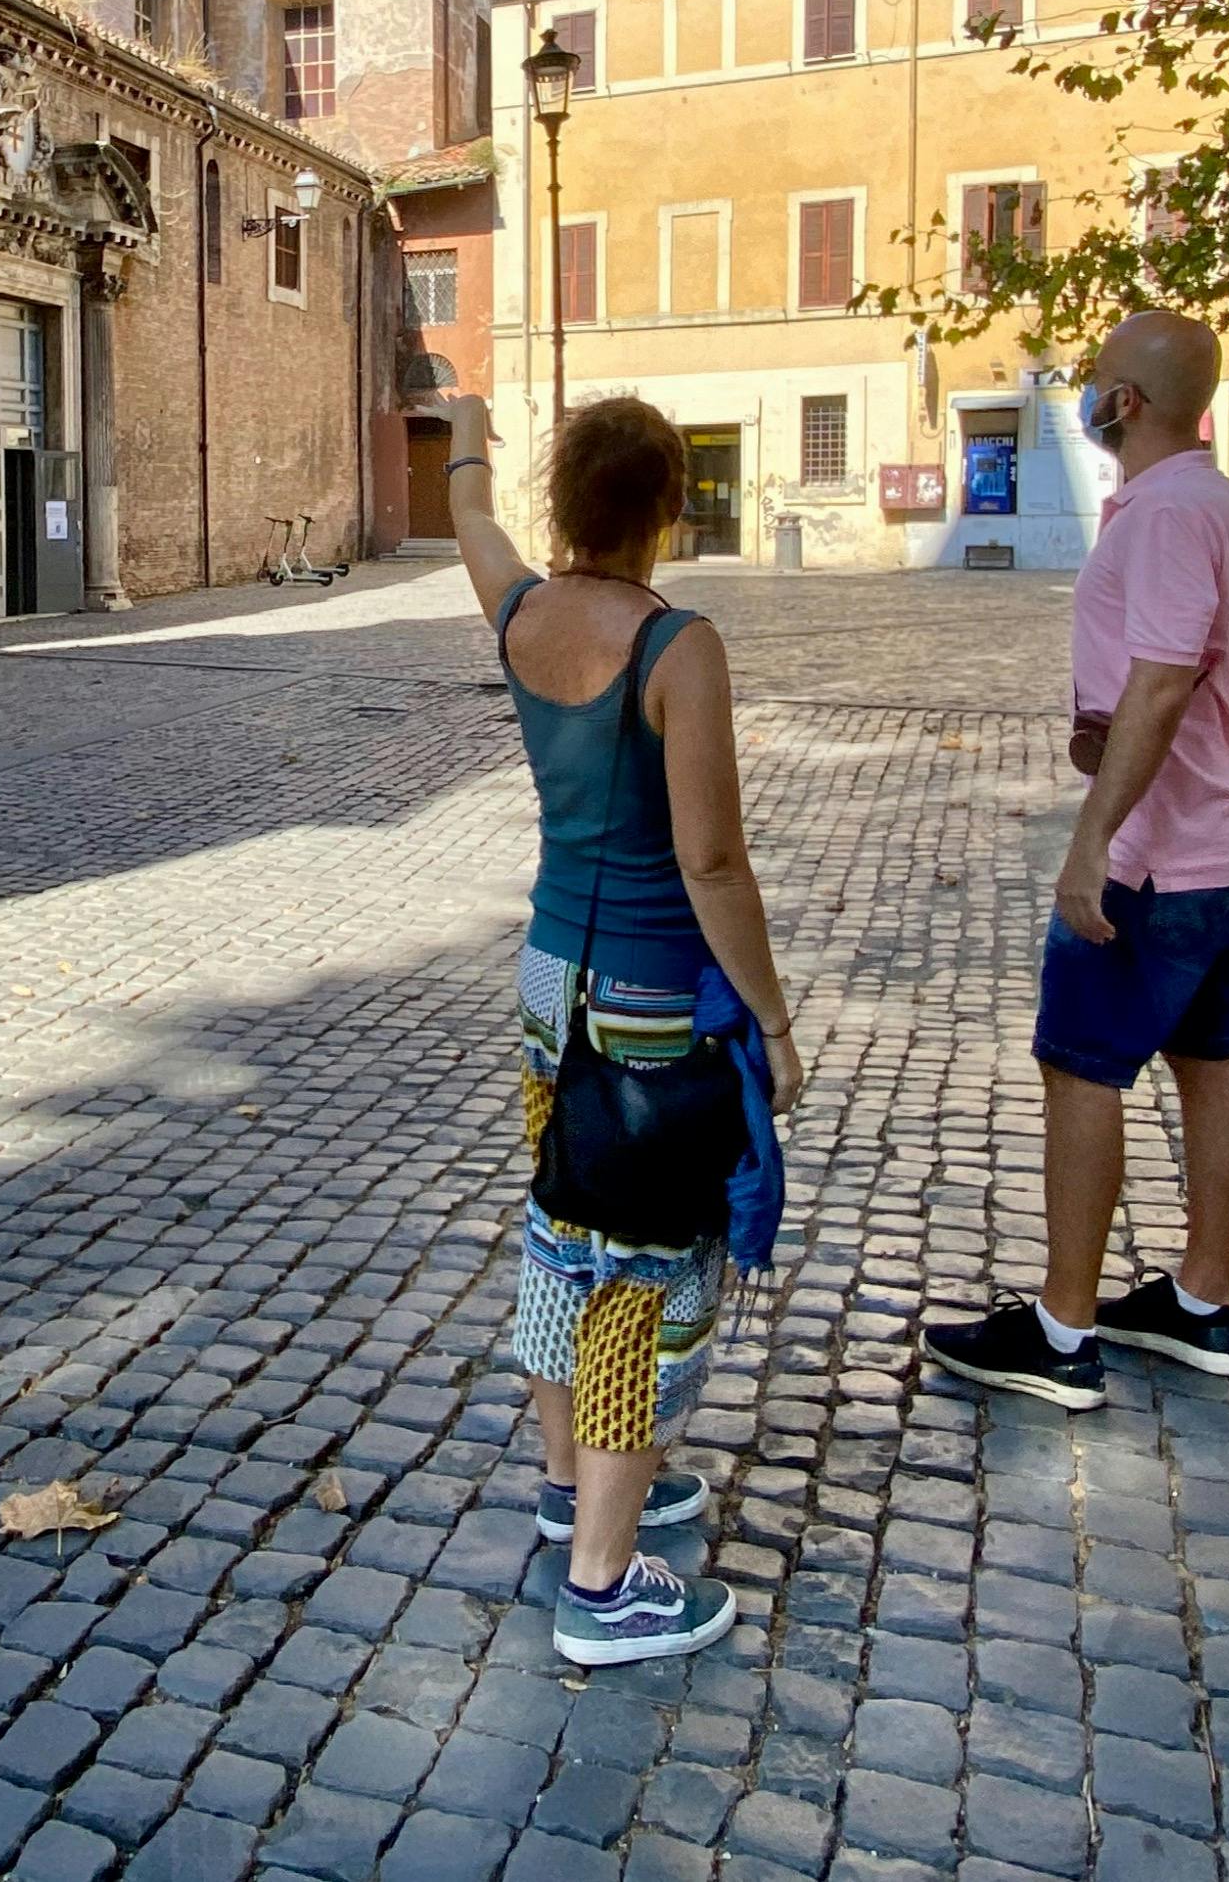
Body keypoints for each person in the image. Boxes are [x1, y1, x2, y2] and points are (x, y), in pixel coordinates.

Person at [441, 390, 800, 1668]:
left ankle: (566, 1485)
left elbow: (467, 511)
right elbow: (711, 860)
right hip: (650, 1002)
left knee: (564, 1217)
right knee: (642, 1268)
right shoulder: (675, 646)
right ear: (667, 506)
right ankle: (601, 1581)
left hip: (550, 981)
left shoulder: (521, 611)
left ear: (563, 499)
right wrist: (771, 1018)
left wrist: (466, 429)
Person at [926, 312, 1229, 1406]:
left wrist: (1092, 842)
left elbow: (1162, 684)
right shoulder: (1213, 501)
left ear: (1127, 401)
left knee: (1080, 1066)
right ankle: (1199, 1304)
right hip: (1223, 837)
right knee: (1209, 1058)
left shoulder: (1166, 514)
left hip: (1158, 854)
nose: (1087, 391)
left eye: (1098, 378)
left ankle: (1062, 1329)